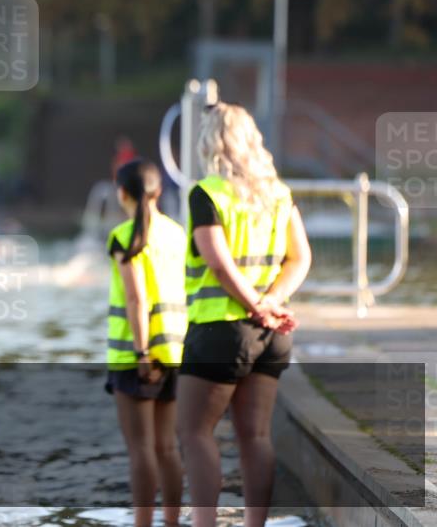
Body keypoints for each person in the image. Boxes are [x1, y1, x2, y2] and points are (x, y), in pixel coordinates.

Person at [176, 103, 312, 527]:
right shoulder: (278, 193)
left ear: (209, 142)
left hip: (221, 330)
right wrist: (272, 301)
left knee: (195, 433)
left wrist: (255, 304)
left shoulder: (208, 192)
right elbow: (300, 258)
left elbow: (218, 262)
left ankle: (204, 524)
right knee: (255, 436)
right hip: (271, 334)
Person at [105, 159, 187, 527]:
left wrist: (141, 352)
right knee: (167, 447)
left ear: (122, 193)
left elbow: (136, 299)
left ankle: (143, 523)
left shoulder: (124, 236)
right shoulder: (177, 233)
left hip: (134, 354)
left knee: (140, 449)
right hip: (177, 350)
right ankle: (171, 522)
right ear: (158, 192)